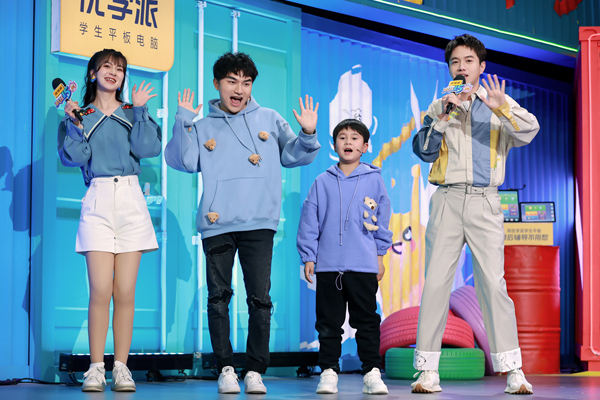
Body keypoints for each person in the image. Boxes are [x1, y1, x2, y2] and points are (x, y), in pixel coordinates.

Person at [164, 52, 320, 394]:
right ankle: (225, 369)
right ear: (217, 84)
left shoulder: (269, 118)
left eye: (246, 83)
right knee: (218, 297)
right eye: (232, 82)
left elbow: (295, 155)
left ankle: (255, 371)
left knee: (260, 299)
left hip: (259, 222)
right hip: (217, 223)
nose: (239, 90)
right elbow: (181, 161)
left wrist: (308, 132)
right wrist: (183, 122)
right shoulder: (202, 125)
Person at [411, 34, 539, 395]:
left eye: (468, 61)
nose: (461, 67)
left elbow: (529, 131)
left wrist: (502, 108)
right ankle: (427, 370)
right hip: (447, 200)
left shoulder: (499, 102)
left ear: (481, 67)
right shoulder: (440, 105)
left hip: (485, 202)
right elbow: (423, 150)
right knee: (436, 284)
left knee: (493, 285)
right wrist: (442, 116)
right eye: (455, 62)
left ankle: (513, 370)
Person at [57, 49, 161, 392]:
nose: (113, 72)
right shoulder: (81, 114)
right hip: (98, 198)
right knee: (100, 289)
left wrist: (141, 109)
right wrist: (74, 124)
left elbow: (147, 149)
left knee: (125, 291)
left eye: (119, 68)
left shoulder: (132, 111)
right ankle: (95, 367)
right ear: (92, 73)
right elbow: (75, 157)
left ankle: (122, 368)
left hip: (131, 199)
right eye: (106, 66)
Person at [297, 119, 393, 395]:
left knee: (367, 322)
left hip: (363, 265)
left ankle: (371, 372)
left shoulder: (374, 179)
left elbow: (382, 220)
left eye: (354, 137)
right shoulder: (322, 181)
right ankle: (328, 372)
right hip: (329, 266)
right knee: (328, 324)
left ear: (365, 146)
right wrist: (309, 256)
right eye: (342, 137)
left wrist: (380, 255)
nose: (348, 141)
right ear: (334, 144)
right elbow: (310, 220)